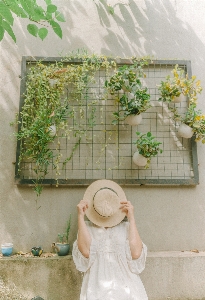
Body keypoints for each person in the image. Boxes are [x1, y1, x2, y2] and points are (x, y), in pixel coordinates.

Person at [72, 179, 148, 300]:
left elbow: (136, 253)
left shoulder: (126, 227)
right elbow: (86, 252)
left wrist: (131, 218)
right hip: (97, 286)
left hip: (127, 286)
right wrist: (80, 216)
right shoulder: (88, 228)